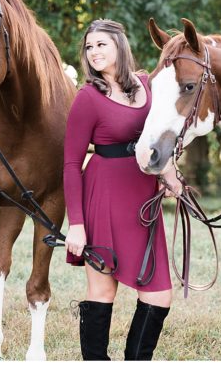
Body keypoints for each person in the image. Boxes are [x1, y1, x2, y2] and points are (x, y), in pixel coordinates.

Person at [63, 19, 181, 361]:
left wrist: (169, 173)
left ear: (119, 46)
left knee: (159, 295)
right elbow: (72, 164)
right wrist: (77, 223)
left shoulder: (148, 84)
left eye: (101, 44)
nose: (94, 52)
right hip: (102, 196)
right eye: (89, 47)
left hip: (142, 201)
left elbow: (162, 136)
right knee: (102, 290)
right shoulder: (87, 98)